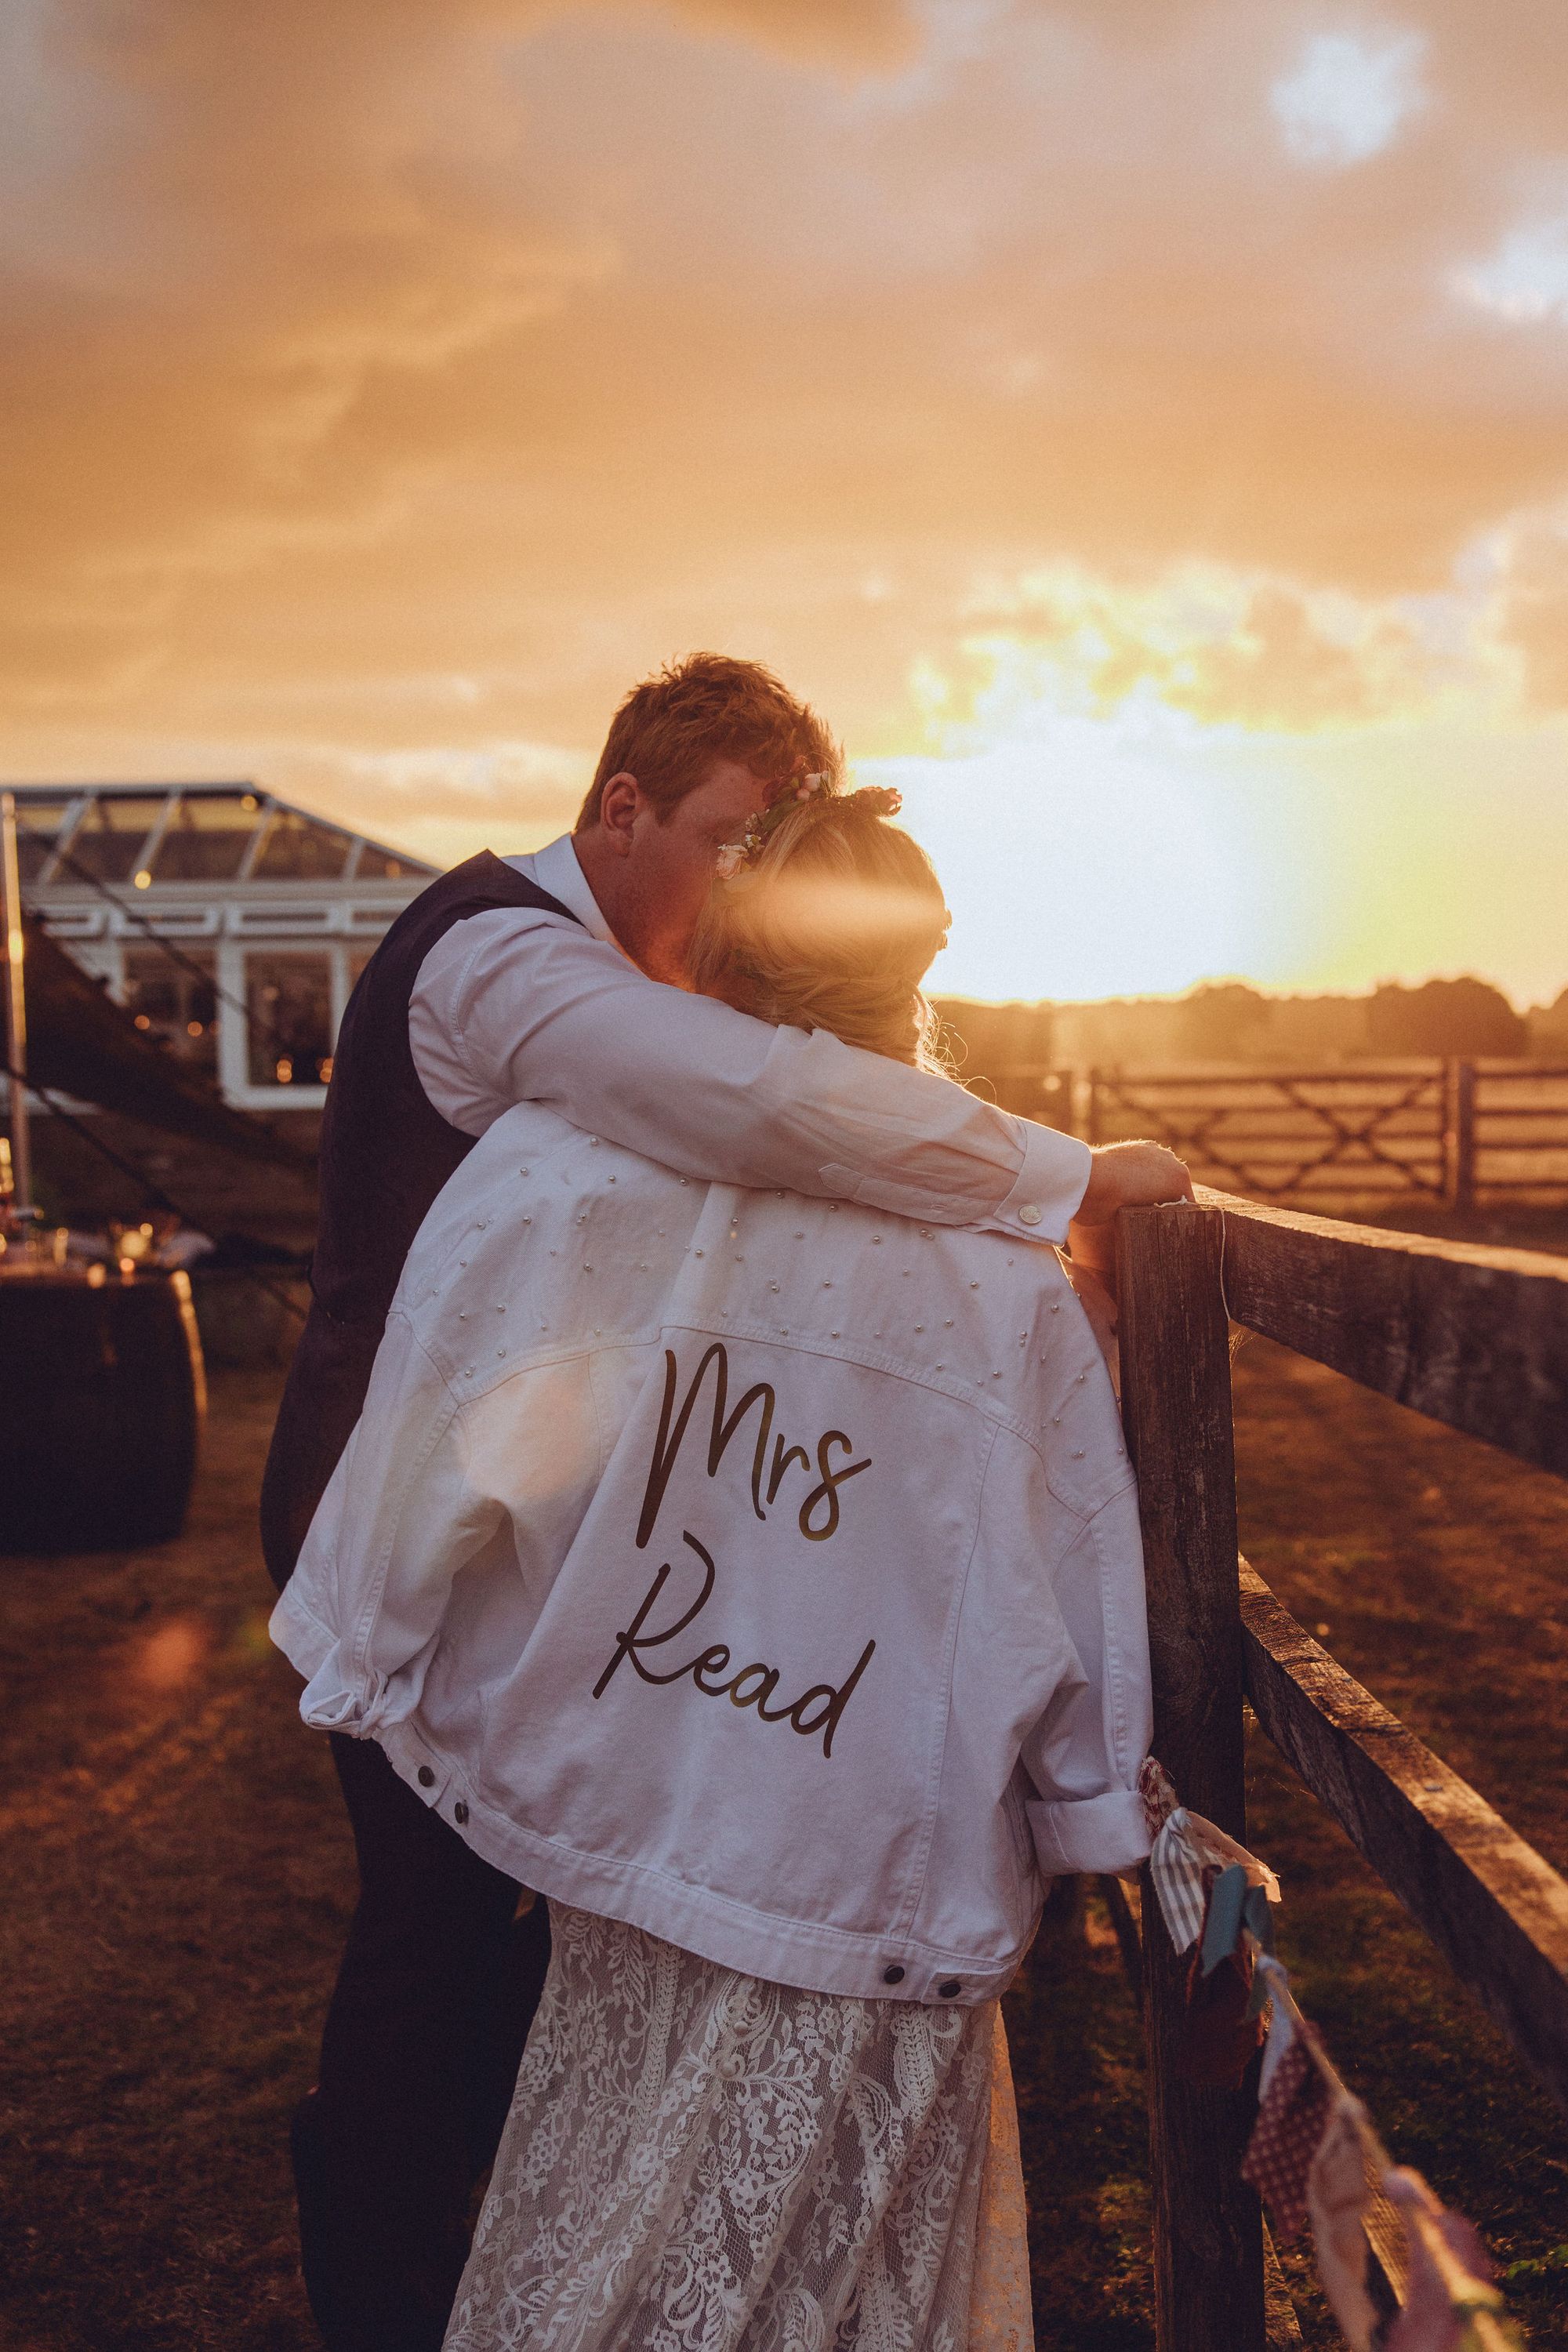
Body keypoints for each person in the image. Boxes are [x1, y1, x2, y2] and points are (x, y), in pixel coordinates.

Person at [261, 653, 1190, 2352]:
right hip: (412, 1506)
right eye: (730, 833)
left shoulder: (606, 1121)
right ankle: (390, 2302)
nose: (748, 872)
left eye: (778, 848)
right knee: (435, 1948)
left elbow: (775, 1122)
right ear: (619, 809)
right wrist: (1049, 1179)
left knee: (564, 1917)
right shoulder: (499, 959)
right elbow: (752, 1097)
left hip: (551, 1535)